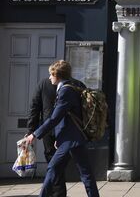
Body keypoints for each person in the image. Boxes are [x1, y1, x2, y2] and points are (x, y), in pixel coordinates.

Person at [24, 60, 99, 197]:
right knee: (85, 173)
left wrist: (34, 134)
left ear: (57, 75)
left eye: (51, 75)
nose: (49, 77)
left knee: (54, 169)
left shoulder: (66, 91)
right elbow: (68, 117)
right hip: (74, 138)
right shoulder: (72, 87)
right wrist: (60, 137)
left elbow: (55, 118)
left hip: (70, 139)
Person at [27, 77, 85, 197]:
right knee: (82, 169)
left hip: (51, 131)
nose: (49, 76)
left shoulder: (44, 83)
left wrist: (32, 130)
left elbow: (34, 107)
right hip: (72, 131)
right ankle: (58, 193)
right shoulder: (78, 84)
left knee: (53, 164)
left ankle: (57, 193)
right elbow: (84, 109)